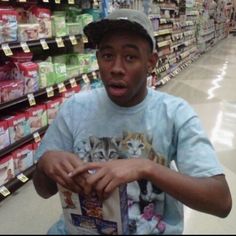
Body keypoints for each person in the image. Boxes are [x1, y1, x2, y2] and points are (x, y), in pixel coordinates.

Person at [32, 9, 232, 234]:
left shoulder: (175, 114)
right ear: (98, 59)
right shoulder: (74, 108)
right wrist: (46, 164)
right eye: (107, 56)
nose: (116, 68)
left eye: (130, 57)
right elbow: (43, 190)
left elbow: (221, 201)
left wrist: (145, 167)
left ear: (151, 62)